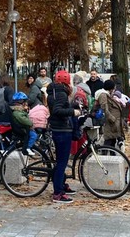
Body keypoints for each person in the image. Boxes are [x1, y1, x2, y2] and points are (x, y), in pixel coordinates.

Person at [47, 70, 81, 204]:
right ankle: (58, 193)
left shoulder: (54, 91)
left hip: (57, 128)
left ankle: (61, 185)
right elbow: (57, 110)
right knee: (62, 162)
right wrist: (73, 111)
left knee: (60, 161)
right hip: (62, 130)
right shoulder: (61, 93)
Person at [94, 80, 124, 147]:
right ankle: (105, 156)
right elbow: (104, 108)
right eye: (113, 88)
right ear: (110, 88)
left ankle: (111, 155)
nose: (114, 89)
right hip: (110, 123)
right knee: (108, 142)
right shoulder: (103, 95)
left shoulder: (107, 94)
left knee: (112, 141)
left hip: (112, 123)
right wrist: (112, 119)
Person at [10, 92, 38, 156]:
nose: (26, 104)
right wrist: (31, 124)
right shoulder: (17, 112)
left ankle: (29, 146)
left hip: (23, 128)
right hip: (23, 129)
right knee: (34, 135)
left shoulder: (19, 111)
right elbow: (24, 120)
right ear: (21, 103)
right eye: (25, 102)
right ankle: (28, 148)